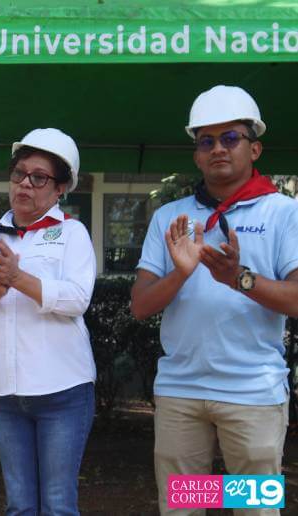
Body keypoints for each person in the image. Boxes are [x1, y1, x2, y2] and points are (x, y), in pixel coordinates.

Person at [131, 85, 298, 516]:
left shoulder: (284, 213)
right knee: (184, 505)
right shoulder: (170, 217)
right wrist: (181, 273)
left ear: (254, 148)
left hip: (253, 392)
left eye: (230, 138)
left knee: (254, 508)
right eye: (206, 141)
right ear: (196, 155)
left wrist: (238, 279)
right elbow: (140, 306)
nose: (218, 149)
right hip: (181, 390)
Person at [0, 128, 96, 515]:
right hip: (5, 392)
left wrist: (18, 279)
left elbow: (77, 299)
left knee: (57, 504)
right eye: (19, 173)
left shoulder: (72, 234)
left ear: (60, 188)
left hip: (63, 391)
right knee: (19, 505)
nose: (25, 184)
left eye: (39, 177)